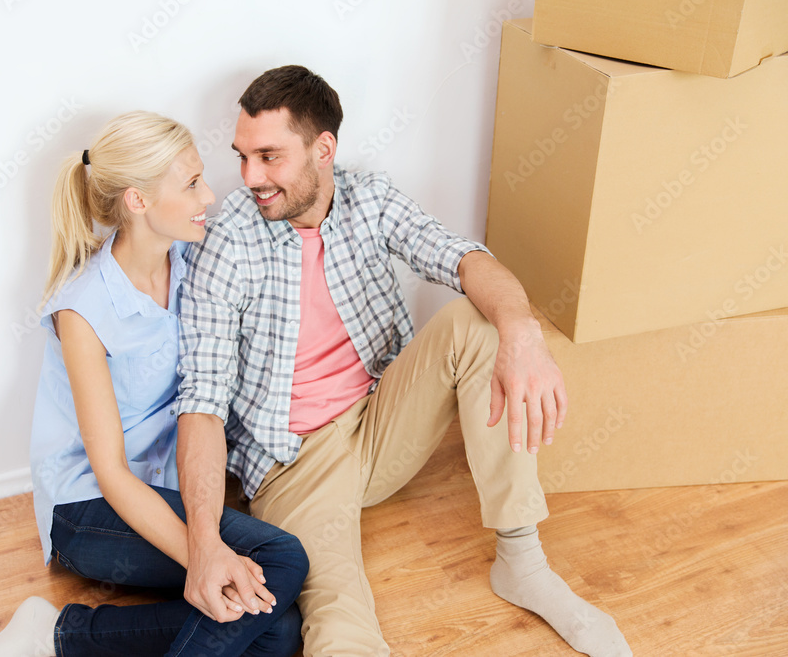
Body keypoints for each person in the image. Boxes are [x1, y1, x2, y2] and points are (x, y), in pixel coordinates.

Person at [175, 66, 632, 657]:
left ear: (324, 149)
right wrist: (205, 542)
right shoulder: (228, 240)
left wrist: (524, 332)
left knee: (479, 321)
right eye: (243, 157)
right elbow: (203, 403)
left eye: (268, 156)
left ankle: (522, 561)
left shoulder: (370, 198)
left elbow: (464, 259)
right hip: (294, 461)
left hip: (379, 419)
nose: (249, 177)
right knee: (338, 610)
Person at [0, 111, 308, 657]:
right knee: (283, 561)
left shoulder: (192, 259)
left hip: (171, 491)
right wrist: (204, 555)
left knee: (280, 628)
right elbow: (113, 474)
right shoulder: (82, 310)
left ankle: (62, 637)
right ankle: (60, 635)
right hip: (91, 508)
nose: (210, 194)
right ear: (138, 201)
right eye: (192, 183)